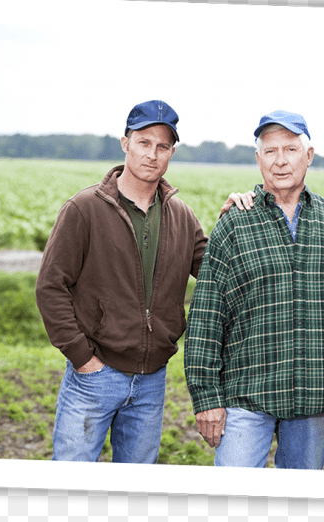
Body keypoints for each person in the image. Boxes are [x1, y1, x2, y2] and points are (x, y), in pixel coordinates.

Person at [36, 100, 244, 463]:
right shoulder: (84, 209)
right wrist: (81, 357)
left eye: (163, 146)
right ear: (125, 143)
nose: (152, 154)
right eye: (144, 142)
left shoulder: (181, 216)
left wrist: (233, 221)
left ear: (172, 152)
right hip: (94, 376)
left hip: (151, 381)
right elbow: (51, 286)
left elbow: (218, 273)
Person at [184, 110, 324, 469]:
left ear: (308, 156)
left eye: (290, 150)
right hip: (248, 391)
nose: (280, 161)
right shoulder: (235, 224)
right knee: (233, 503)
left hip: (317, 393)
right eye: (270, 151)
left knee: (299, 504)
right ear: (258, 160)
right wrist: (206, 397)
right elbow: (206, 318)